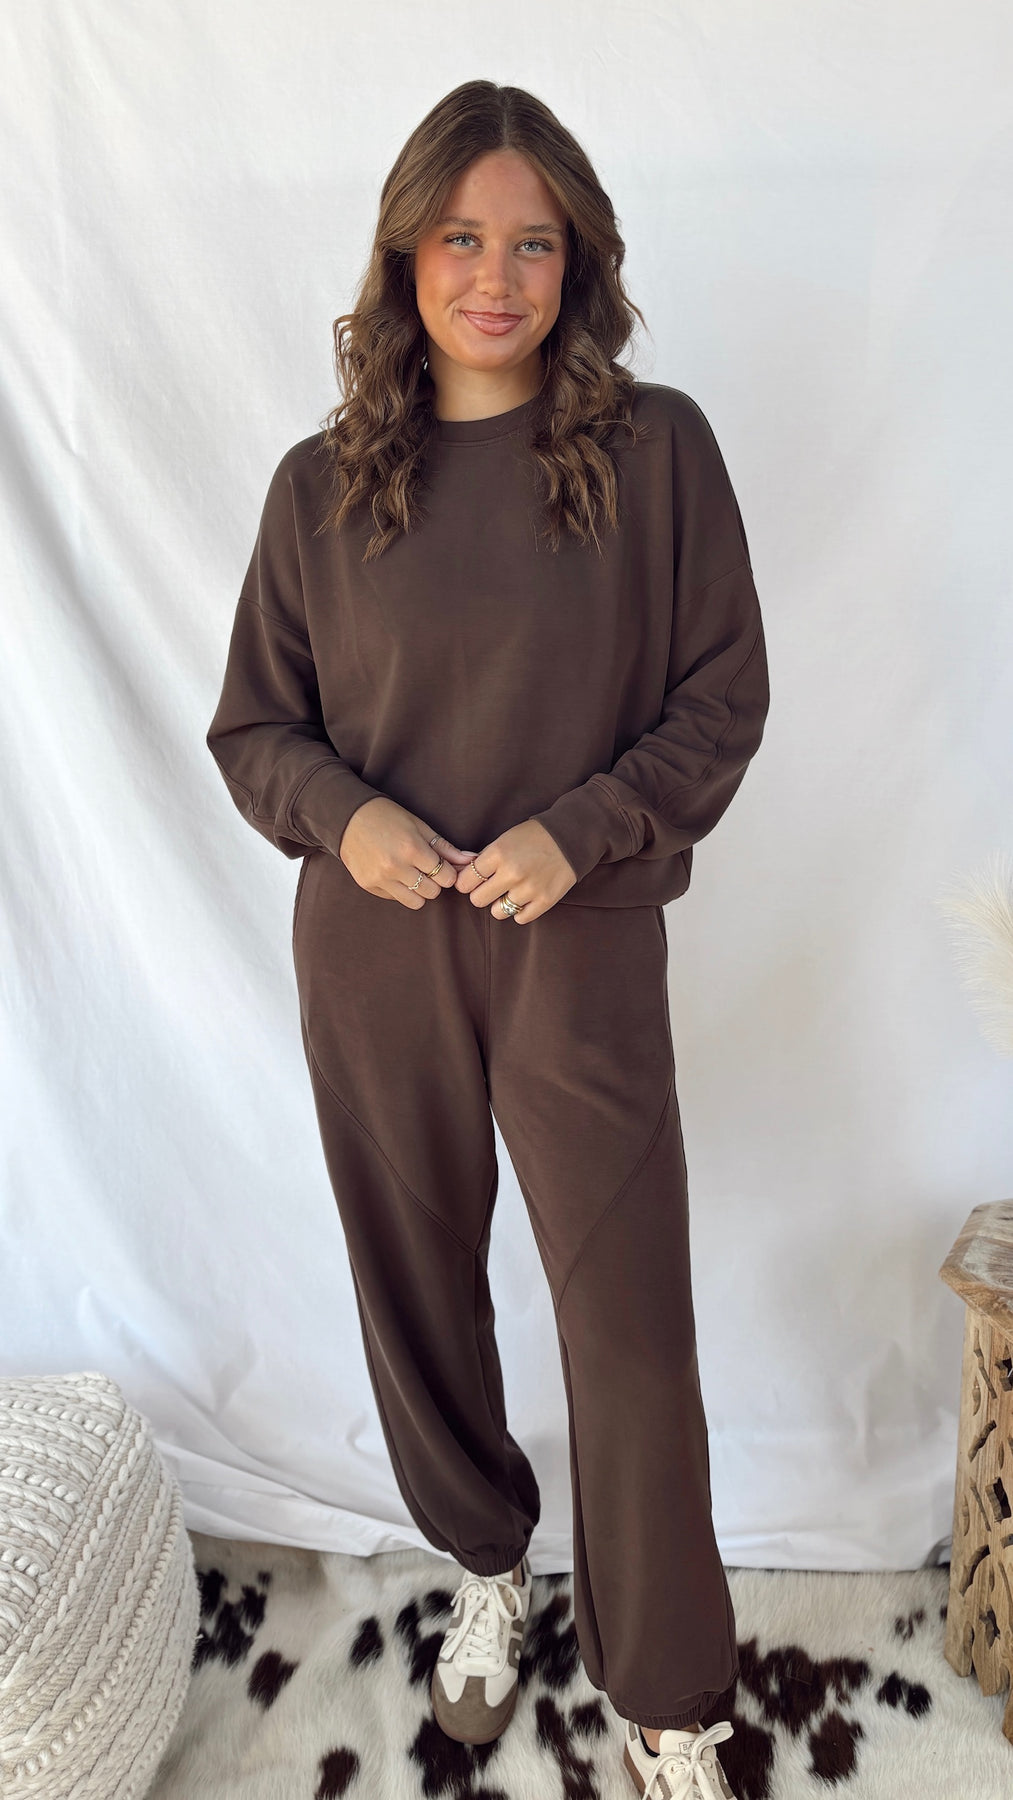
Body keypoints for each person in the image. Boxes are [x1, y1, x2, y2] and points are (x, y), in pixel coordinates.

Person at [206, 77, 768, 1800]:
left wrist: (575, 831)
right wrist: (345, 817)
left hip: (576, 946)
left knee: (628, 1320)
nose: (495, 276)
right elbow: (253, 729)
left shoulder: (655, 452)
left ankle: (664, 1691)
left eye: (533, 243)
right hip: (373, 951)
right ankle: (482, 1562)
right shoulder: (320, 488)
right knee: (416, 1284)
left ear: (577, 260)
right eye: (459, 238)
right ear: (403, 254)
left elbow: (721, 700)